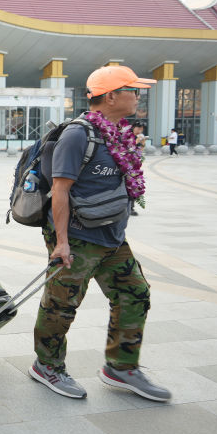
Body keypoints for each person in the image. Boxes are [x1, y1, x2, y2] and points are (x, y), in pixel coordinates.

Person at [29, 65, 171, 402]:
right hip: (77, 237)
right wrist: (61, 242)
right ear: (111, 96)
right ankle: (47, 365)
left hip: (112, 238)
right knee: (61, 305)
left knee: (135, 293)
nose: (138, 96)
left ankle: (121, 366)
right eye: (132, 90)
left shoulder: (119, 133)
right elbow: (60, 191)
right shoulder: (77, 135)